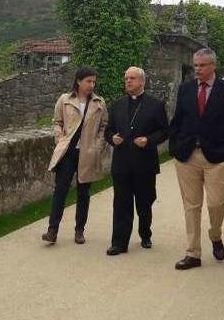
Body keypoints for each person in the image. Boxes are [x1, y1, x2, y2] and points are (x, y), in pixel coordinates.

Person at [169, 48, 224, 270]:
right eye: (195, 66)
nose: (197, 70)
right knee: (191, 206)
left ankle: (215, 235)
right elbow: (178, 119)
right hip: (187, 156)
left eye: (201, 66)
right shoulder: (186, 89)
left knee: (216, 204)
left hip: (216, 158)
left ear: (213, 66)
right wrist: (175, 146)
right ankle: (193, 253)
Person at [104, 67, 169, 255]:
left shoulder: (155, 105)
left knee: (144, 202)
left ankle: (145, 233)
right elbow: (108, 130)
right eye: (126, 78)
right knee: (121, 204)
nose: (128, 81)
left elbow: (164, 131)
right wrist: (112, 138)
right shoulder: (117, 105)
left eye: (132, 78)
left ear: (142, 82)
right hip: (122, 163)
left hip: (145, 163)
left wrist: (148, 140)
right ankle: (119, 242)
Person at [42, 66, 108, 244]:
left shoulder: (99, 103)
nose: (91, 85)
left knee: (83, 193)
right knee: (60, 191)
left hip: (87, 153)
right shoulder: (64, 100)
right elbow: (57, 122)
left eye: (94, 81)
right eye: (88, 81)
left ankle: (79, 231)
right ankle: (52, 230)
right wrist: (59, 138)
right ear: (79, 81)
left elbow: (104, 127)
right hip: (67, 152)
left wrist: (97, 146)